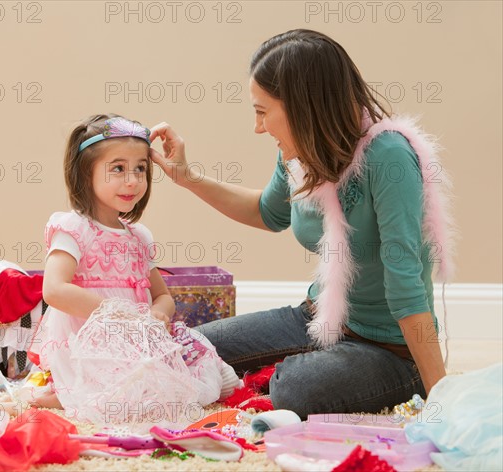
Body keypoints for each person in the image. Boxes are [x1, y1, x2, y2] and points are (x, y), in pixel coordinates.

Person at [149, 29, 454, 419]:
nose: (257, 127)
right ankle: (310, 368)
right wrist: (187, 177)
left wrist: (442, 398)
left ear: (303, 107)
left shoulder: (388, 156)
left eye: (262, 112)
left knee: (296, 389)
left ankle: (341, 376)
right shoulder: (301, 153)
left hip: (389, 349)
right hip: (316, 319)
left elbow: (407, 286)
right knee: (192, 348)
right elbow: (267, 211)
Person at [27, 115, 240, 421]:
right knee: (129, 395)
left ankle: (67, 394)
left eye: (140, 168)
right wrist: (116, 312)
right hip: (91, 342)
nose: (132, 180)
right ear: (86, 173)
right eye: (118, 169)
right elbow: (55, 290)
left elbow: (162, 295)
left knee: (199, 369)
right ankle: (61, 392)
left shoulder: (138, 237)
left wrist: (159, 314)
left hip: (139, 338)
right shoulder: (74, 228)